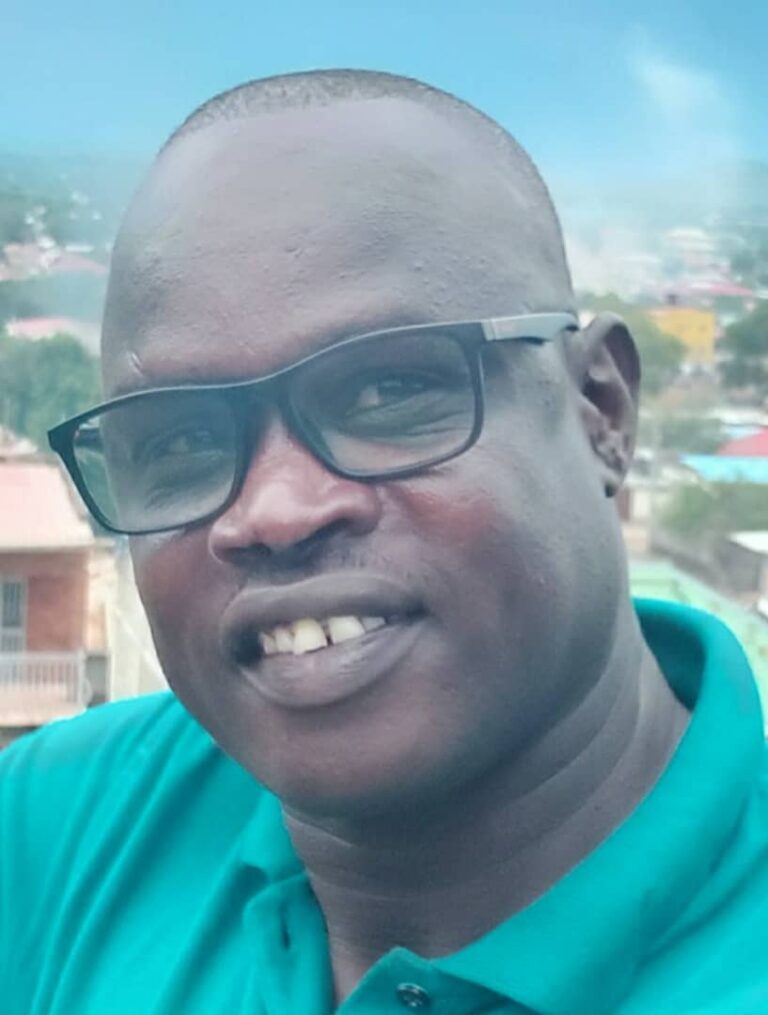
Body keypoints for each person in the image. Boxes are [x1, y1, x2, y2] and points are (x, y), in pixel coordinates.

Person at [3, 70, 768, 1015]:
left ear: (599, 409)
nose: (274, 511)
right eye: (180, 442)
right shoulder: (58, 833)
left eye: (388, 391)